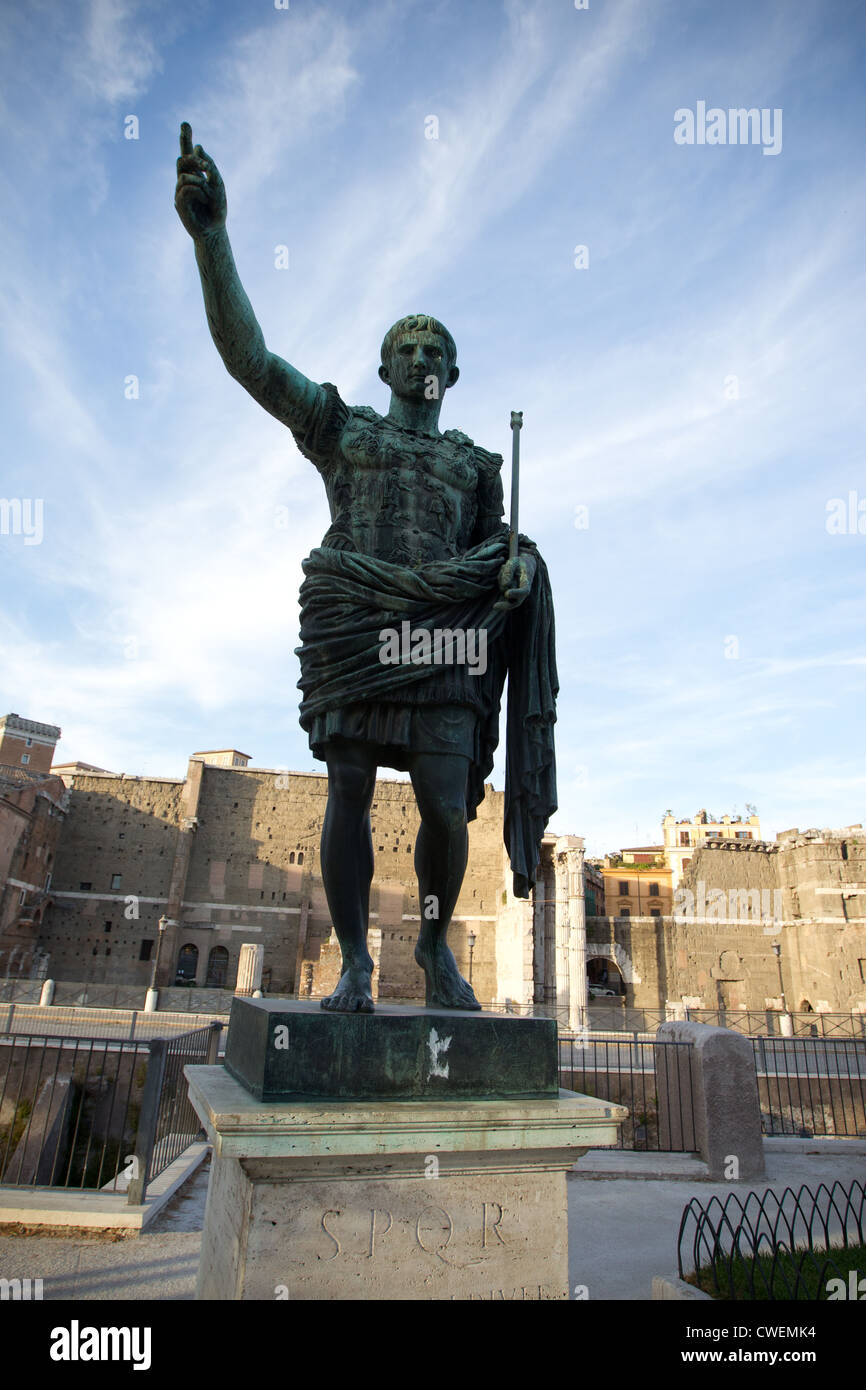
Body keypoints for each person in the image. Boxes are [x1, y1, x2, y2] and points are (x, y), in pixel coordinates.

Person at [175, 124, 557, 1013]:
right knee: (346, 787)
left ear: (452, 374)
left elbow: (495, 557)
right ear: (385, 365)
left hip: (446, 644)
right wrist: (213, 239)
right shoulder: (342, 428)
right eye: (407, 347)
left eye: (435, 351)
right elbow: (250, 362)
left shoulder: (475, 465)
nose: (421, 358)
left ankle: (431, 947)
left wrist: (516, 576)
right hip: (356, 626)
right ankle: (353, 962)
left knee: (446, 803)